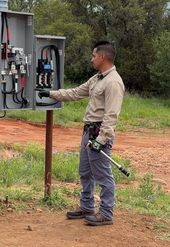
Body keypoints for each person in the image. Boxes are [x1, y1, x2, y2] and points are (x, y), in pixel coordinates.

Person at [38, 41, 124, 226]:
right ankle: (86, 207)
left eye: (93, 56)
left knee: (103, 175)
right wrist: (51, 93)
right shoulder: (97, 78)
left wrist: (101, 140)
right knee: (85, 172)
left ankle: (106, 213)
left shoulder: (113, 82)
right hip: (88, 132)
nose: (91, 59)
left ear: (102, 57)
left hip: (99, 134)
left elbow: (111, 115)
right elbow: (75, 93)